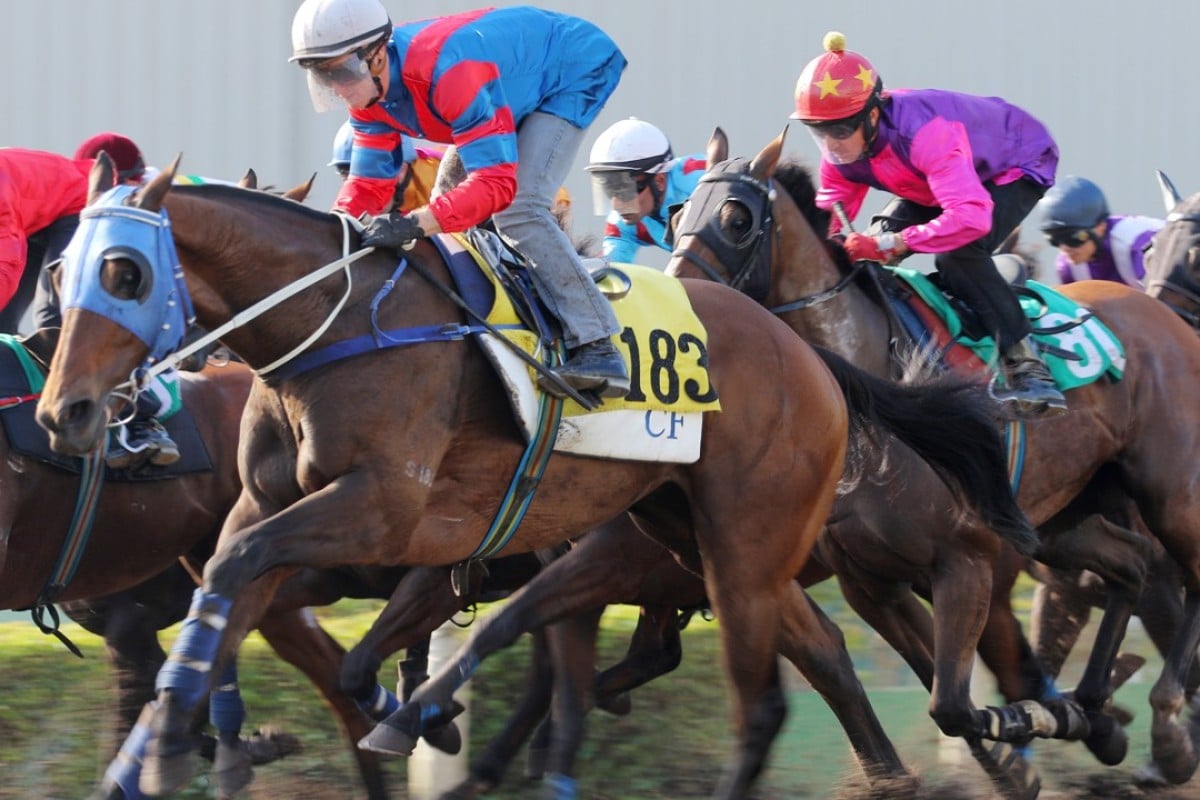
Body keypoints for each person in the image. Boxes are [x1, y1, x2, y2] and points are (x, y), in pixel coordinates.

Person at [290, 0, 629, 398]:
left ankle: (598, 345)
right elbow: (366, 187)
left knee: (520, 208)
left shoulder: (450, 74)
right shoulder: (367, 102)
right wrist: (332, 240)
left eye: (342, 72)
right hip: (505, 80)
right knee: (445, 202)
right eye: (323, 77)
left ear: (378, 54)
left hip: (570, 70)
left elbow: (496, 185)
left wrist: (414, 223)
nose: (337, 89)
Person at [790, 31, 1066, 419]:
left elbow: (970, 217)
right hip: (936, 181)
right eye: (819, 132)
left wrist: (894, 244)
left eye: (839, 130)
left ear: (872, 115)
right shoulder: (841, 153)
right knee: (867, 242)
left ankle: (1027, 364)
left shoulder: (924, 134)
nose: (832, 145)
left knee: (958, 255)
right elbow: (829, 222)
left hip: (1014, 164)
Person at [54, 132, 180, 469]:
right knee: (52, 323)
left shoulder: (155, 200)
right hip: (34, 228)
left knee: (167, 389)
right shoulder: (85, 199)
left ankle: (142, 425)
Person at [585, 117, 706, 263]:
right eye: (609, 190)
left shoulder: (699, 181)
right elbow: (613, 274)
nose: (616, 205)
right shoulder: (621, 223)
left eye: (626, 190)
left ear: (659, 180)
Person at [1036, 176, 1163, 289]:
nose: (1065, 248)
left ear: (1101, 226)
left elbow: (1167, 305)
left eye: (1073, 237)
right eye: (1054, 238)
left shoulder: (1137, 246)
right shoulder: (1067, 267)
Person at [328, 119, 443, 214]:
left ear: (401, 170)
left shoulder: (446, 181)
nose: (358, 195)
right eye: (345, 176)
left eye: (369, 181)